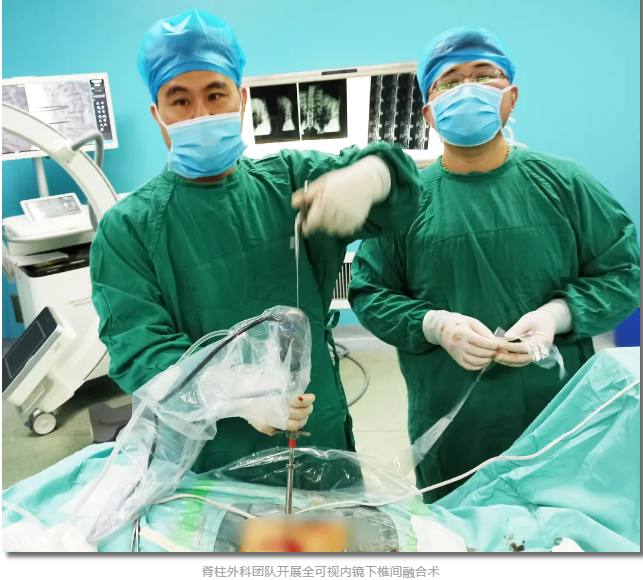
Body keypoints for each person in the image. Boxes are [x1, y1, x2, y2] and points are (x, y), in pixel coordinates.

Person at [89, 9, 421, 478]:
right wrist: (231, 394)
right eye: (180, 100)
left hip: (314, 421)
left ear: (242, 100)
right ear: (157, 114)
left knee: (333, 521)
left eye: (216, 94)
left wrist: (374, 175)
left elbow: (402, 196)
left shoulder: (292, 180)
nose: (201, 114)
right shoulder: (129, 227)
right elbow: (139, 348)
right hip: (208, 447)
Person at [348, 25, 640, 502]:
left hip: (560, 412)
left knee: (562, 521)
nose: (467, 89)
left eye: (485, 76)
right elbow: (370, 292)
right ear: (428, 113)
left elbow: (624, 273)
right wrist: (434, 325)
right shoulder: (406, 204)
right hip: (453, 423)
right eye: (448, 82)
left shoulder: (565, 184)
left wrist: (557, 315)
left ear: (511, 97)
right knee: (460, 521)